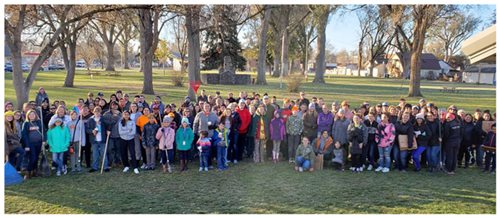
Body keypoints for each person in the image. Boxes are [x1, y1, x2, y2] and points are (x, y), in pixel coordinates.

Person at [21, 109, 45, 179]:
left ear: (35, 115)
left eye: (33, 114)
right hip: (31, 144)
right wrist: (27, 145)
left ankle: (35, 171)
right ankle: (28, 172)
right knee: (33, 157)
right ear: (28, 116)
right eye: (30, 115)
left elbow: (44, 131)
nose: (32, 116)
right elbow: (24, 135)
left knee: (36, 157)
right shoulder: (26, 123)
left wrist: (44, 140)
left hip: (39, 143)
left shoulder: (39, 122)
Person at [86, 107, 110, 173]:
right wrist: (92, 131)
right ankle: (94, 167)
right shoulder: (90, 120)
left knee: (103, 153)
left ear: (100, 112)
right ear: (93, 112)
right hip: (94, 140)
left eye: (98, 112)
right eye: (96, 111)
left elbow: (108, 126)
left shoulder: (103, 119)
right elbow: (87, 129)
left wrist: (108, 130)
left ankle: (105, 167)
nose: (97, 113)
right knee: (95, 154)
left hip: (102, 139)